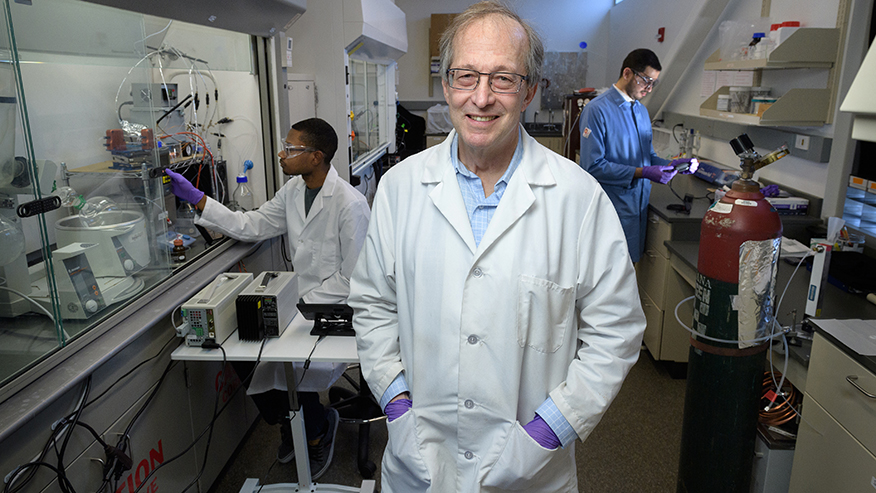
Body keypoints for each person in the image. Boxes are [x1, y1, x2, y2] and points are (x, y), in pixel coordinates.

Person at [347, 2, 646, 492]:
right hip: (420, 463)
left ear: (529, 90)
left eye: (503, 79)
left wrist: (548, 431)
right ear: (446, 85)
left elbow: (616, 332)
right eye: (465, 76)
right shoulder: (401, 189)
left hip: (530, 472)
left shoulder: (577, 198)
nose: (481, 97)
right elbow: (373, 305)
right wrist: (398, 406)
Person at [164, 118, 370, 479]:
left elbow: (352, 279)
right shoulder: (292, 191)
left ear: (316, 157)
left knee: (292, 363)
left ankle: (317, 430)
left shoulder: (349, 204)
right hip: (299, 302)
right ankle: (297, 424)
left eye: (291, 149)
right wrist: (200, 200)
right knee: (242, 351)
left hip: (332, 308)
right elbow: (254, 224)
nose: (281, 154)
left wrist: (297, 305)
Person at [579, 48, 698, 263]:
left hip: (638, 208)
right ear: (627, 74)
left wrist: (671, 165)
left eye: (654, 83)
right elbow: (593, 166)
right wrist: (642, 172)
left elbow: (648, 157)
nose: (649, 88)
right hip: (612, 209)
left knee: (629, 273)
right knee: (605, 275)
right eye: (645, 80)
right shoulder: (597, 110)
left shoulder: (641, 111)